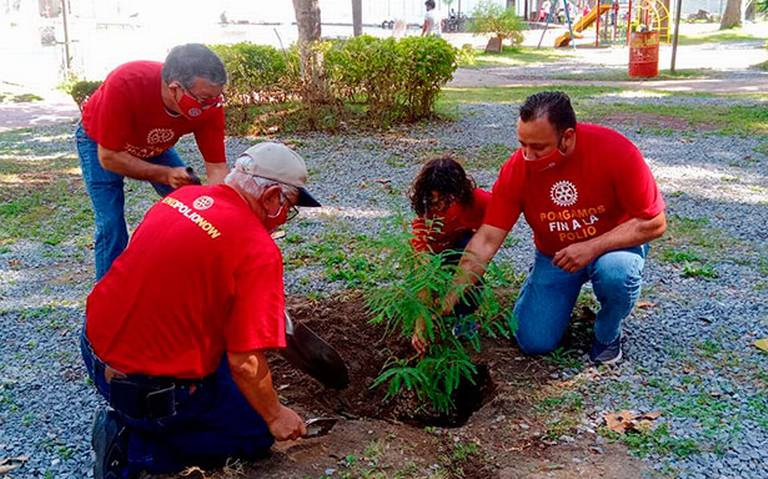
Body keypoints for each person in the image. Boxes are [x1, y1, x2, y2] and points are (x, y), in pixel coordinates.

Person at [80, 142, 322, 478]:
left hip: (92, 346)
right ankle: (135, 447)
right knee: (254, 433)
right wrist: (276, 415)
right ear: (271, 198)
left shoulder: (181, 199)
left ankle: (145, 420)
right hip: (149, 391)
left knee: (229, 388)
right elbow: (244, 361)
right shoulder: (257, 249)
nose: (284, 219)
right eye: (289, 207)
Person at [433, 91, 666, 364]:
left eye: (539, 148)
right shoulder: (517, 169)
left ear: (567, 137)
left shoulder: (615, 151)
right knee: (534, 341)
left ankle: (608, 330)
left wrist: (591, 247)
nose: (528, 156)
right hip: (555, 256)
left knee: (617, 273)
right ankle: (539, 287)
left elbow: (654, 222)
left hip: (612, 247)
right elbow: (485, 240)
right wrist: (449, 299)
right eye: (523, 145)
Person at [76, 43, 230, 281]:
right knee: (111, 224)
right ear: (175, 88)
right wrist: (165, 174)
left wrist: (219, 213)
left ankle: (199, 278)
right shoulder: (127, 82)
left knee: (196, 208)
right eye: (203, 99)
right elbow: (109, 157)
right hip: (101, 144)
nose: (210, 106)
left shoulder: (210, 104)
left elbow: (217, 167)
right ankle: (106, 305)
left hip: (155, 145)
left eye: (215, 98)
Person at [408, 156, 491, 354]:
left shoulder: (480, 201)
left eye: (444, 200)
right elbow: (423, 271)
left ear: (458, 193)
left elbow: (490, 238)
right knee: (426, 286)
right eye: (432, 201)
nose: (438, 207)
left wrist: (451, 298)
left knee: (469, 259)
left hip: (462, 249)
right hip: (434, 258)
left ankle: (464, 317)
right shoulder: (423, 223)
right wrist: (421, 324)